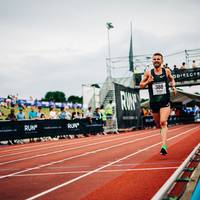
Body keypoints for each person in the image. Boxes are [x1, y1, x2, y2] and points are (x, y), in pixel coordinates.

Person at [139, 52, 176, 155]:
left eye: (158, 59)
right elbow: (141, 85)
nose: (156, 61)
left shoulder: (166, 71)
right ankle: (163, 130)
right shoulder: (148, 73)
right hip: (154, 103)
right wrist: (148, 81)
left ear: (162, 61)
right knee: (159, 125)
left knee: (163, 122)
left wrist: (173, 86)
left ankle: (163, 146)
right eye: (154, 59)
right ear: (152, 61)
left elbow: (172, 79)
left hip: (165, 101)